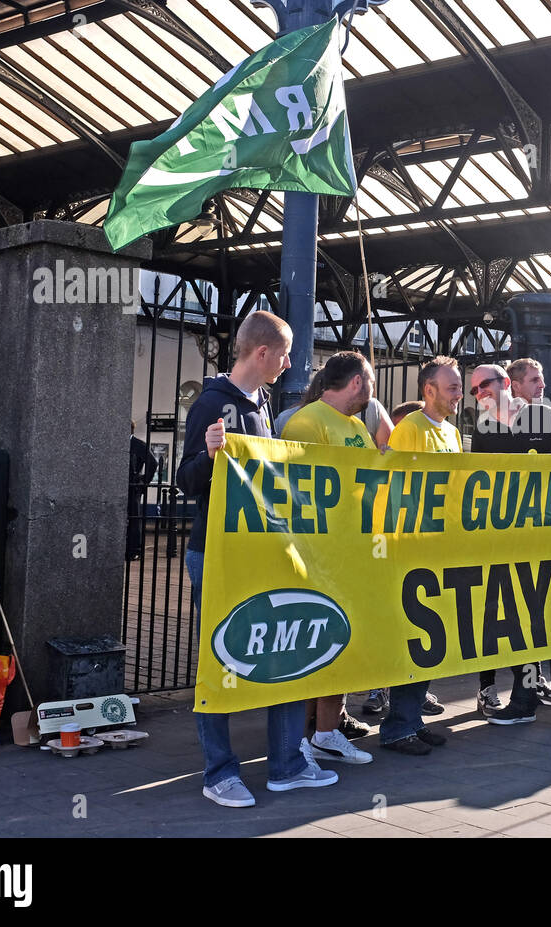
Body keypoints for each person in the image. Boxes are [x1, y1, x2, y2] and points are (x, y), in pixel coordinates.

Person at [177, 309, 338, 807]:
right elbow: (186, 482)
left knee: (286, 652)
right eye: (286, 354)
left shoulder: (260, 402)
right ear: (263, 353)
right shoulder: (211, 404)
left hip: (262, 549)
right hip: (218, 552)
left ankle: (286, 763)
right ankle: (219, 773)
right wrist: (206, 456)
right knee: (221, 660)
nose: (292, 364)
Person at [467, 363, 551, 733]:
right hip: (508, 543)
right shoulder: (483, 427)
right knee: (523, 623)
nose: (478, 395)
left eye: (482, 387)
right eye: (473, 390)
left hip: (550, 538)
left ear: (505, 384)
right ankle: (524, 699)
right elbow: (477, 482)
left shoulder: (544, 415)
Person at [281, 351, 380, 767]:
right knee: (320, 640)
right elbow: (301, 492)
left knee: (341, 643)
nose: (374, 391)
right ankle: (312, 733)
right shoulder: (308, 422)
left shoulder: (356, 424)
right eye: (371, 381)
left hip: (350, 552)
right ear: (358, 381)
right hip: (321, 554)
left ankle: (325, 731)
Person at [379, 356, 464, 755]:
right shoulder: (409, 430)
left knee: (430, 639)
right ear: (428, 390)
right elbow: (394, 490)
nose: (459, 393)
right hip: (412, 551)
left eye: (459, 385)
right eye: (452, 387)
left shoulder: (453, 432)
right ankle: (397, 727)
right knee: (414, 638)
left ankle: (410, 720)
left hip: (439, 550)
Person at [127, 422, 157, 561]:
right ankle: (128, 548)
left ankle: (134, 550)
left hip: (133, 486)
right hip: (126, 486)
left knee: (134, 518)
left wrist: (144, 481)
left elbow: (153, 462)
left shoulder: (138, 444)